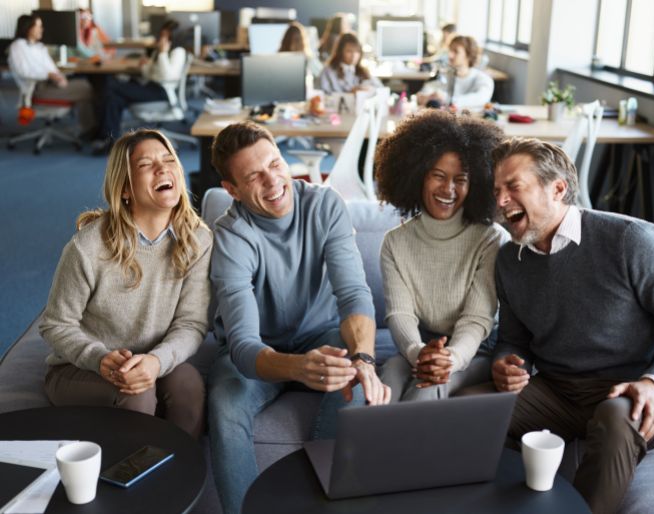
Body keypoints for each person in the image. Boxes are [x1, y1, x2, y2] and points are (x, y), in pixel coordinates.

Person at [490, 137, 654, 514]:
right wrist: (506, 362)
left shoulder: (630, 240)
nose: (499, 202)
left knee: (615, 416)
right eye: (496, 190)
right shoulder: (508, 260)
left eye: (513, 187)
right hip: (558, 392)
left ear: (557, 188)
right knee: (474, 409)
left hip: (634, 388)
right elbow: (513, 340)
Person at [207, 121, 390, 514]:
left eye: (275, 163)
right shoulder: (232, 235)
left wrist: (363, 359)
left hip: (323, 334)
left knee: (360, 376)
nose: (273, 180)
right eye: (253, 176)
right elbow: (241, 344)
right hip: (260, 351)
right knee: (225, 406)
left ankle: (321, 503)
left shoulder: (324, 204)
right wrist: (298, 368)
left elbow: (353, 293)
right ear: (232, 191)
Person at [39, 129, 212, 439]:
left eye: (169, 159)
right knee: (137, 395)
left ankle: (180, 479)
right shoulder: (87, 247)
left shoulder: (198, 240)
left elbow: (192, 324)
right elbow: (55, 325)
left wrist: (157, 362)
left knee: (189, 388)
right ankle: (134, 482)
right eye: (146, 164)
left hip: (153, 357)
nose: (163, 168)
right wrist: (99, 358)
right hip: (81, 369)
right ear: (125, 189)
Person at [375, 110, 509, 401]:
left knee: (424, 392)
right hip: (423, 343)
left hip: (476, 350)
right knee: (386, 384)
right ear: (418, 177)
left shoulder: (490, 239)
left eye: (460, 179)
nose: (448, 189)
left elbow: (476, 319)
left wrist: (450, 359)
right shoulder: (395, 242)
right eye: (438, 176)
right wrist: (417, 352)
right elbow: (400, 314)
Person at [92, 20, 187, 153]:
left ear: (174, 37)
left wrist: (162, 54)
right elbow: (149, 74)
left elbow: (166, 76)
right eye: (162, 35)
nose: (162, 38)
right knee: (113, 98)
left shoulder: (178, 52)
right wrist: (145, 66)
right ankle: (110, 140)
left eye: (166, 36)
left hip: (163, 91)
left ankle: (101, 135)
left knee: (110, 85)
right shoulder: (158, 51)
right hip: (150, 86)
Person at [8, 14, 95, 137]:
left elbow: (52, 69)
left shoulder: (40, 47)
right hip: (36, 90)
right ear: (28, 28)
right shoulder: (18, 46)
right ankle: (93, 131)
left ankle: (89, 129)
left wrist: (60, 77)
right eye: (38, 26)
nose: (41, 29)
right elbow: (24, 71)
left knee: (85, 86)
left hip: (51, 85)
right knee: (88, 89)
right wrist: (49, 74)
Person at [417, 35, 493, 109]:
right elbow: (425, 91)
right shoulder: (444, 75)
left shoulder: (484, 79)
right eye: (450, 50)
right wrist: (425, 97)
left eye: (456, 51)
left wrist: (447, 99)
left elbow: (481, 98)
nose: (450, 55)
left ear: (468, 55)